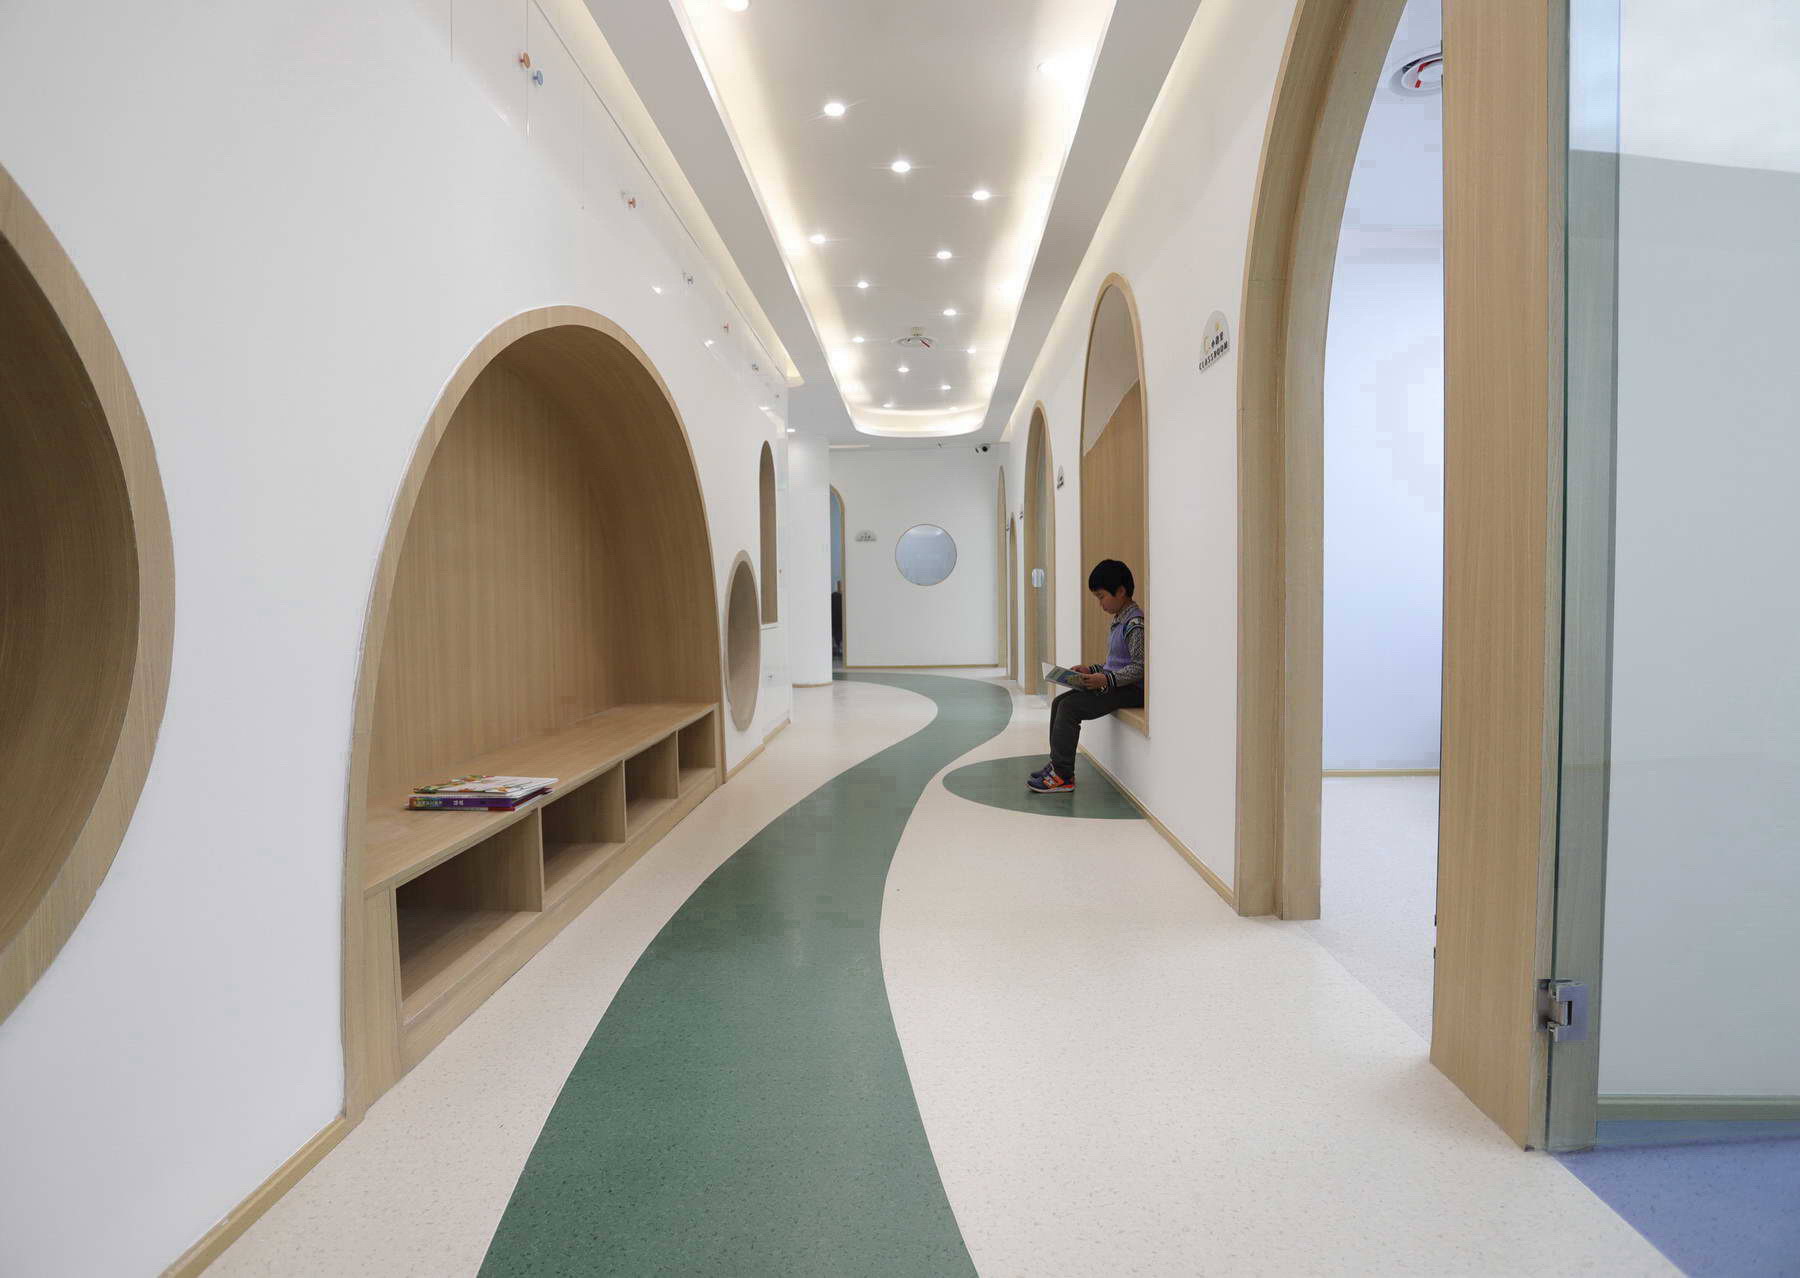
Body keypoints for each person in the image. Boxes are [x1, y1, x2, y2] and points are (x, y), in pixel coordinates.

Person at [1027, 559, 1144, 793]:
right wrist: (1092, 670)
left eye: (1101, 597)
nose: (1100, 604)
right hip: (1117, 685)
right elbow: (1116, 664)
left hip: (1131, 690)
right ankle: (1057, 765)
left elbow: (1140, 667)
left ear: (1121, 591)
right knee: (1060, 702)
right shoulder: (1120, 620)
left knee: (1069, 708)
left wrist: (1106, 679)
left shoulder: (1135, 624)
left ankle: (1063, 776)